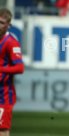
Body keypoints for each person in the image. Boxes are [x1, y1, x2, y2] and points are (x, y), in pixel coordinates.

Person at [0, 8, 24, 136]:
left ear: (8, 25)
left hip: (3, 94)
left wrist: (1, 69)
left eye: (2, 23)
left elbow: (20, 68)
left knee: (2, 129)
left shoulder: (11, 43)